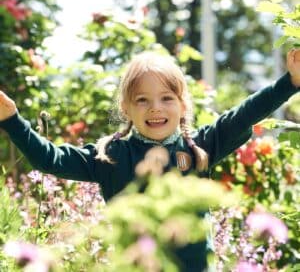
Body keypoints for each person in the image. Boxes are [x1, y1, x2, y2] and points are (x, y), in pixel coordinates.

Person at [0, 49, 300, 271]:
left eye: (166, 98)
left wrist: (290, 81)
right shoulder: (111, 155)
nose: (155, 108)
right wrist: (12, 119)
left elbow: (244, 114)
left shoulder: (200, 147)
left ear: (182, 105)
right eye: (142, 100)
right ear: (127, 109)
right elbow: (51, 159)